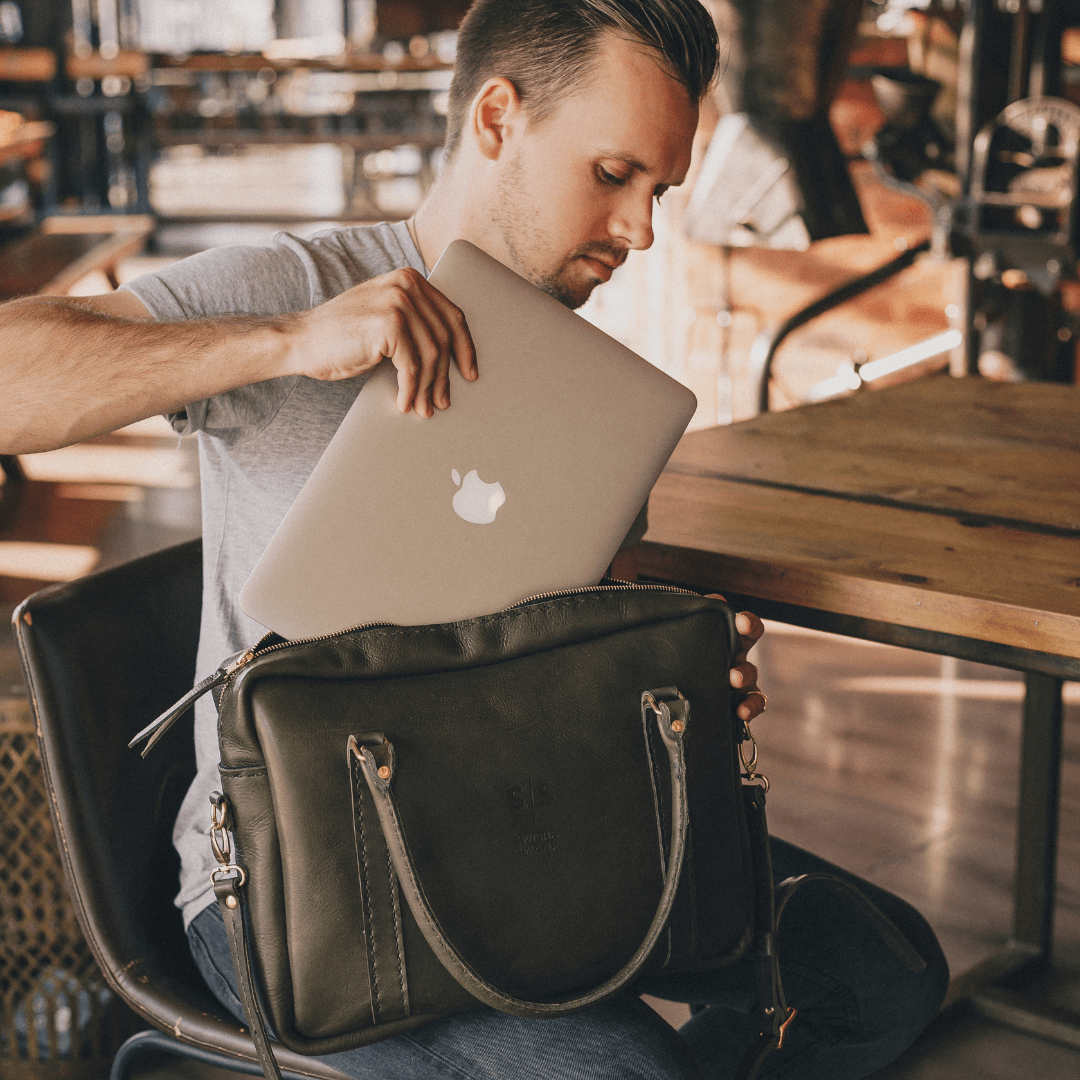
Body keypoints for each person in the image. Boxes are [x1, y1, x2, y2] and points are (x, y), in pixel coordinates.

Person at [0, 2, 948, 1076]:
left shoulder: (592, 398)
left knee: (883, 972)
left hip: (535, 828)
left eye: (660, 191)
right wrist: (288, 343)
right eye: (611, 173)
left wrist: (661, 671)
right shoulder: (293, 290)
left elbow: (540, 647)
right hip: (305, 878)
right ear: (497, 118)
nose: (641, 229)